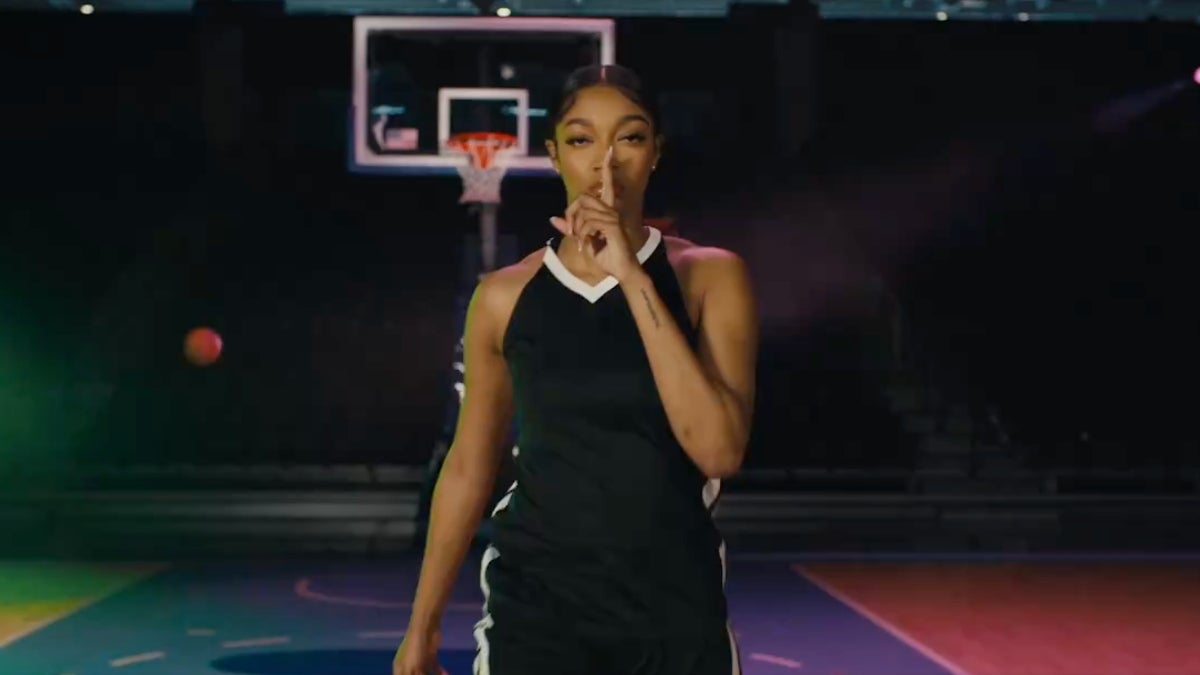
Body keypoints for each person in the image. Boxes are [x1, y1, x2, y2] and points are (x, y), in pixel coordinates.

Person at [393, 63, 758, 675]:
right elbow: (469, 465)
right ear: (554, 154)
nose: (605, 162)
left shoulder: (709, 277)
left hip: (674, 605)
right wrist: (422, 628)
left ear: (655, 153)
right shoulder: (503, 297)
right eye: (582, 139)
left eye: (630, 137)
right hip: (536, 606)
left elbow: (718, 451)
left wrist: (632, 277)